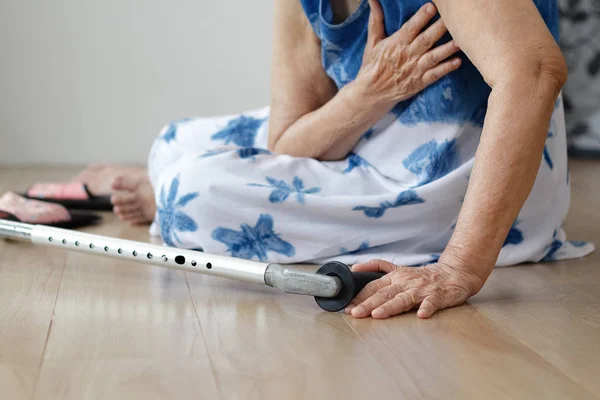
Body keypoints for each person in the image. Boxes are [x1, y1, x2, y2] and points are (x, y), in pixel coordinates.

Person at [84, 0, 594, 319]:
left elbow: (532, 73)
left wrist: (458, 267)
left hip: (466, 170)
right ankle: (190, 185)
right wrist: (367, 94)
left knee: (185, 193)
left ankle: (173, 197)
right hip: (375, 133)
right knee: (172, 145)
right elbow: (289, 141)